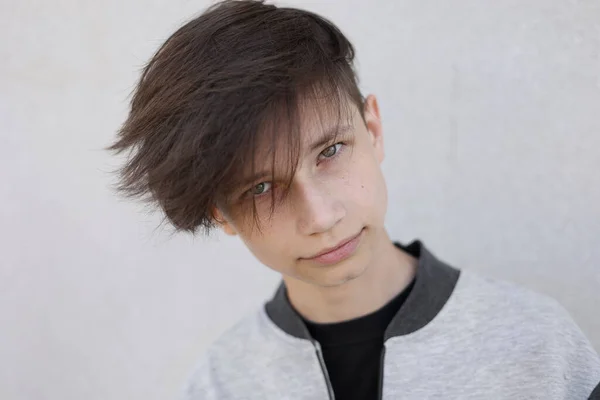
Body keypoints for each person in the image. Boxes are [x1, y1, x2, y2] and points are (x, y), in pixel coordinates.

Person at [108, 0, 600, 398]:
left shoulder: (540, 347)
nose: (321, 216)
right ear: (221, 214)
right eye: (261, 188)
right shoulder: (221, 385)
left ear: (374, 129)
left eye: (331, 151)